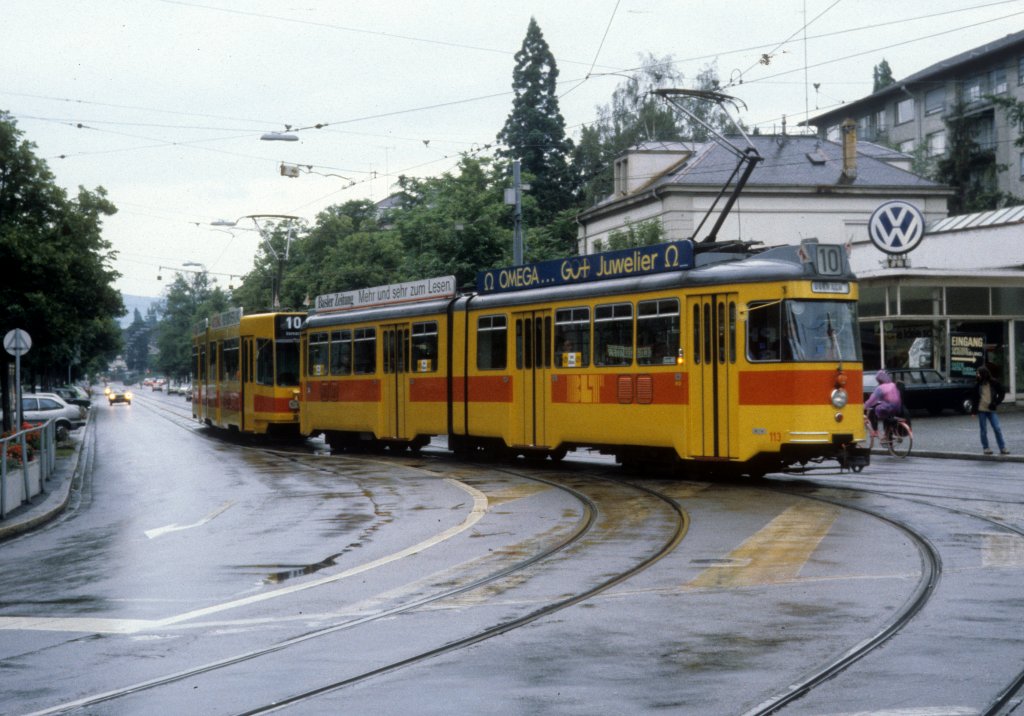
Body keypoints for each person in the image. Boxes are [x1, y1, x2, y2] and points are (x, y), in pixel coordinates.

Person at [971, 367, 1009, 455]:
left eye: (979, 373)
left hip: (991, 410)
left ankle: (1002, 448)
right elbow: (975, 398)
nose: (977, 375)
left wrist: (995, 403)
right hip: (981, 410)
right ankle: (986, 448)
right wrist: (973, 411)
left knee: (997, 428)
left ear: (984, 374)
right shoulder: (977, 384)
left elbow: (1002, 393)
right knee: (983, 430)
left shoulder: (994, 383)